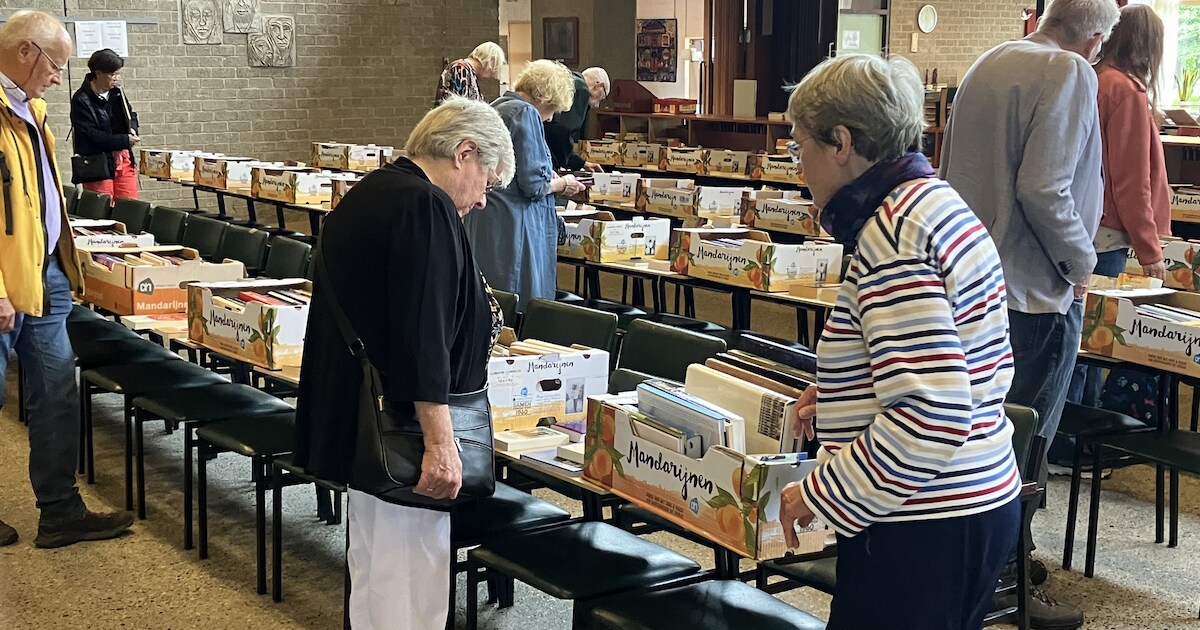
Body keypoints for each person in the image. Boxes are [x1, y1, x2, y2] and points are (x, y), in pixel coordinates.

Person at [774, 54, 1021, 630]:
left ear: (841, 142)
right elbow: (943, 362)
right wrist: (842, 393)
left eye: (798, 146)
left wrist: (818, 492)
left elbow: (930, 414)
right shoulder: (927, 203)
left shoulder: (893, 236)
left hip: (927, 519)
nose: (797, 164)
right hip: (969, 497)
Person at [294, 96, 515, 630]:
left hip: (366, 421)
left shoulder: (374, 191)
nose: (484, 200)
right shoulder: (426, 207)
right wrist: (441, 443)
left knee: (375, 568)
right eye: (488, 179)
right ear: (465, 153)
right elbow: (423, 334)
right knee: (410, 582)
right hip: (404, 429)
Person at [939, 1, 1120, 627]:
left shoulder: (989, 60)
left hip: (969, 281)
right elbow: (1045, 188)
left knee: (978, 430)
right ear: (1095, 37)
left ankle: (981, 557)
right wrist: (1081, 264)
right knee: (1026, 437)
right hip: (1033, 288)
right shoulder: (1071, 72)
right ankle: (1006, 574)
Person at [0, 11, 134, 548]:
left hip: (47, 274)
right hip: (7, 282)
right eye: (55, 65)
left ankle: (59, 511)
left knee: (56, 391)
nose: (59, 77)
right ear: (26, 51)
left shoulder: (30, 109)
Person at [1052, 4, 1171, 468]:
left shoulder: (1089, 78)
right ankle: (1077, 446)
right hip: (1107, 235)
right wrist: (1151, 249)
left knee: (1073, 342)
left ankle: (1062, 439)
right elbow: (1130, 181)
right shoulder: (1126, 92)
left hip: (1079, 227)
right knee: (1092, 345)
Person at [464, 59, 584, 310]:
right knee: (519, 301)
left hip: (488, 217)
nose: (551, 119)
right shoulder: (526, 113)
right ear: (545, 96)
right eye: (552, 109)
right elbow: (534, 185)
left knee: (490, 299)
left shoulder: (497, 106)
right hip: (514, 224)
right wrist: (563, 184)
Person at [70, 48, 140, 199]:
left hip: (122, 159)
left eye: (118, 74)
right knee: (102, 209)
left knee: (129, 206)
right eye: (112, 74)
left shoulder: (117, 93)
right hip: (97, 163)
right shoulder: (81, 99)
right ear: (98, 73)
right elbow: (91, 135)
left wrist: (133, 129)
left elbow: (131, 115)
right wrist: (124, 140)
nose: (116, 78)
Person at [544, 66, 610, 172]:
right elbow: (563, 130)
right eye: (602, 97)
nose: (597, 105)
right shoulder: (580, 90)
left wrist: (581, 163)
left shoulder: (566, 79)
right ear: (598, 86)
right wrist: (570, 161)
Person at [435, 41, 506, 104]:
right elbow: (457, 108)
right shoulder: (460, 69)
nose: (491, 75)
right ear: (490, 62)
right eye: (493, 70)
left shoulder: (468, 73)